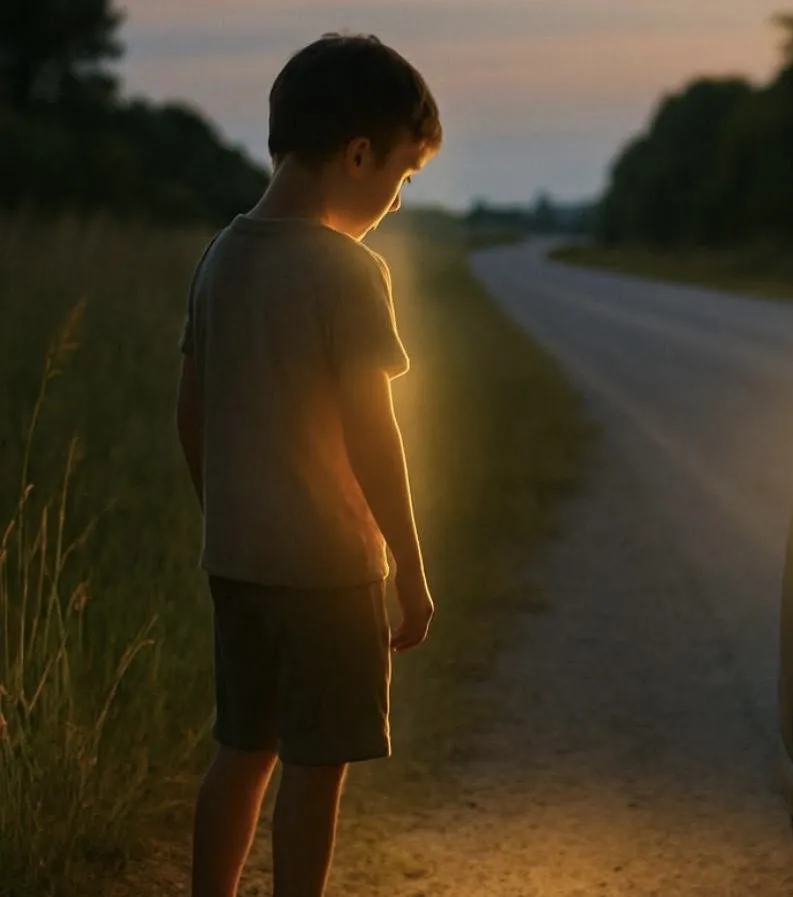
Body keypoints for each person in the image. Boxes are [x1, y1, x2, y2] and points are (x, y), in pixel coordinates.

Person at [174, 33, 441, 897]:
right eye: (401, 177)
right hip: (330, 570)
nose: (397, 202)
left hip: (239, 559)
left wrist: (226, 510)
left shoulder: (221, 256)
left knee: (241, 748)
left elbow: (192, 410)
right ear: (357, 154)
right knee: (316, 765)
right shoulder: (347, 272)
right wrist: (408, 565)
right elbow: (373, 433)